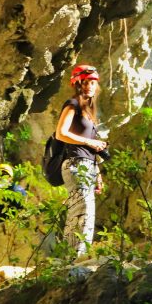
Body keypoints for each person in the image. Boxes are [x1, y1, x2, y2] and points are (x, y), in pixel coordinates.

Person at [55, 64, 108, 257]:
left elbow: (90, 148)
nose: (91, 86)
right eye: (86, 82)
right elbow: (61, 133)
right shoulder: (73, 104)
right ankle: (72, 258)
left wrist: (98, 175)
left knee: (86, 213)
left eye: (93, 82)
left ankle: (75, 256)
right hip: (75, 165)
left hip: (88, 166)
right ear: (78, 84)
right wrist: (90, 142)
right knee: (81, 211)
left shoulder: (88, 111)